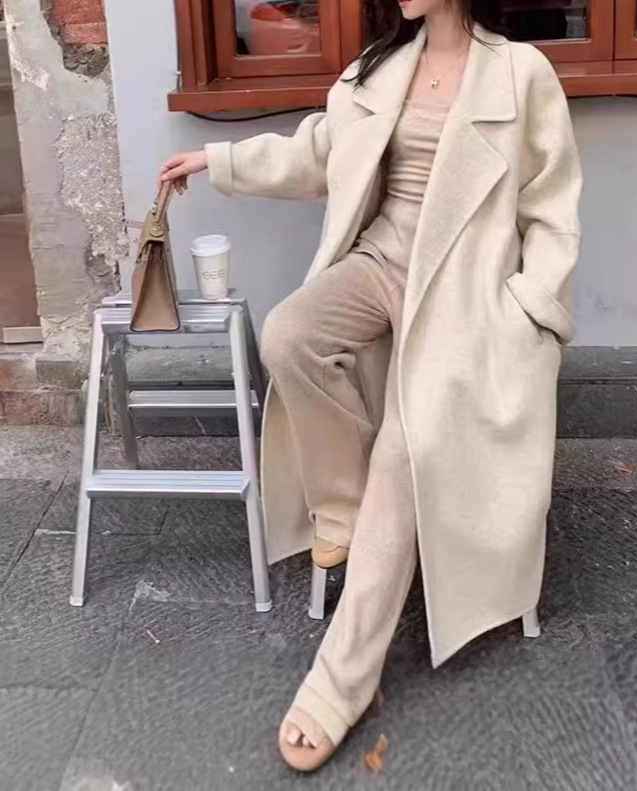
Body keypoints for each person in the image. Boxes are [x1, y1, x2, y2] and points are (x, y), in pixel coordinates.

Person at [159, 0, 581, 774]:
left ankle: (341, 678)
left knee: (403, 447)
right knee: (288, 335)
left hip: (462, 290)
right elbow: (316, 155)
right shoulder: (380, 67)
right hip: (383, 261)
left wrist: (530, 309)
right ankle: (346, 506)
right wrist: (215, 162)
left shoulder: (521, 74)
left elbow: (551, 208)